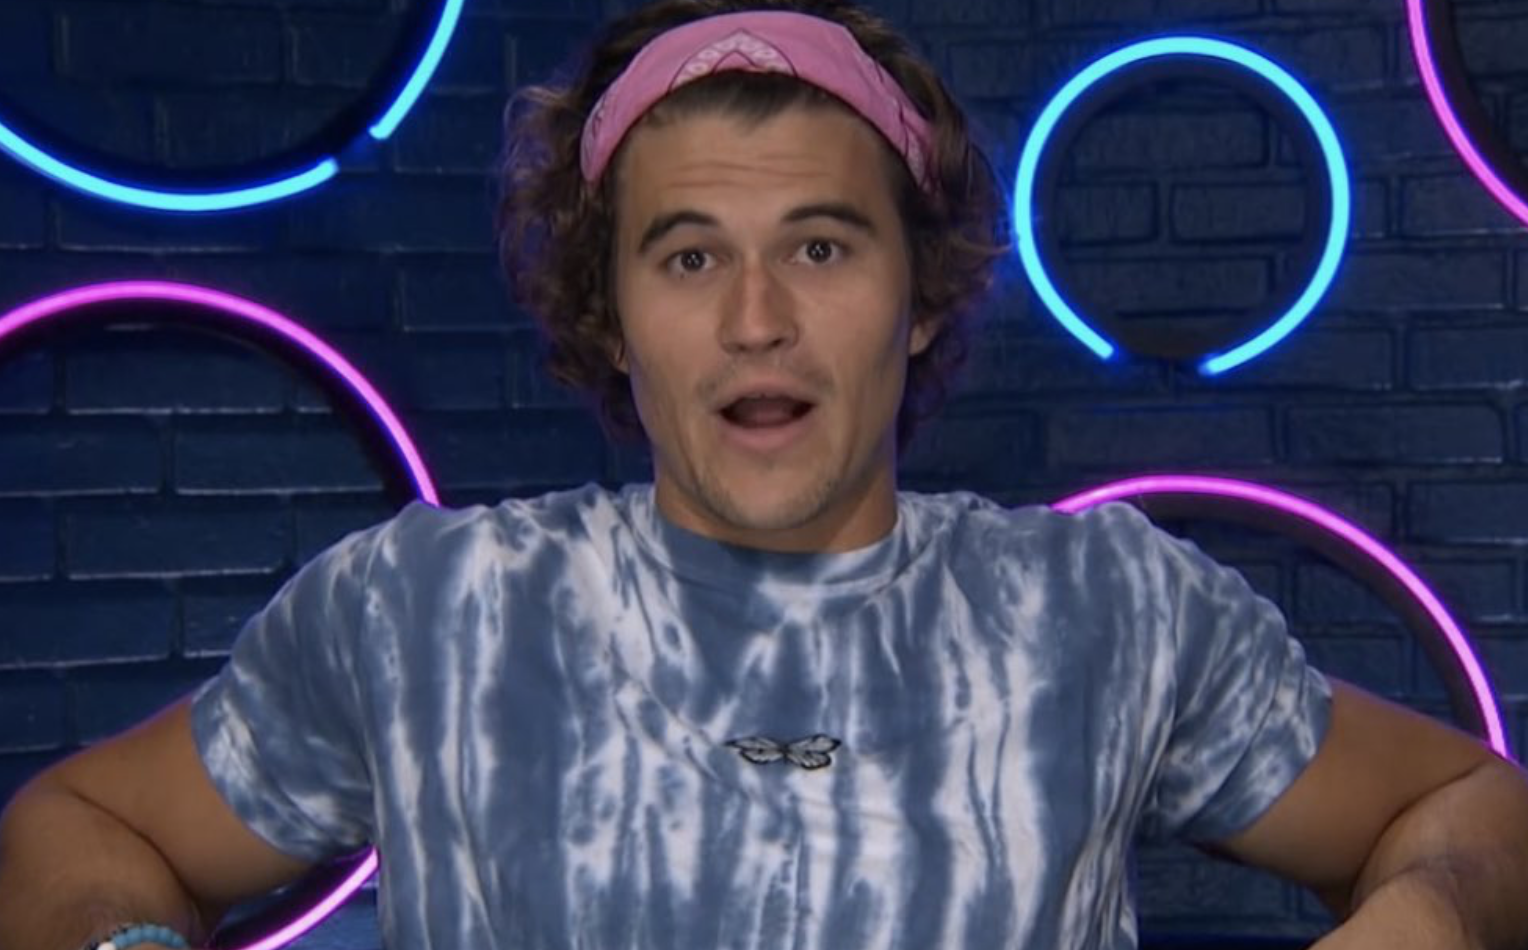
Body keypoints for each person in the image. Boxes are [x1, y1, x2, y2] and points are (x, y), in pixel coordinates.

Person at [3, 1, 1527, 948]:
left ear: (918, 292)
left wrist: (1433, 915)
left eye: (821, 246)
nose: (754, 321)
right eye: (688, 256)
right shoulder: (424, 611)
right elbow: (71, 830)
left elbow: (1477, 807)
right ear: (614, 312)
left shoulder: (1106, 608)